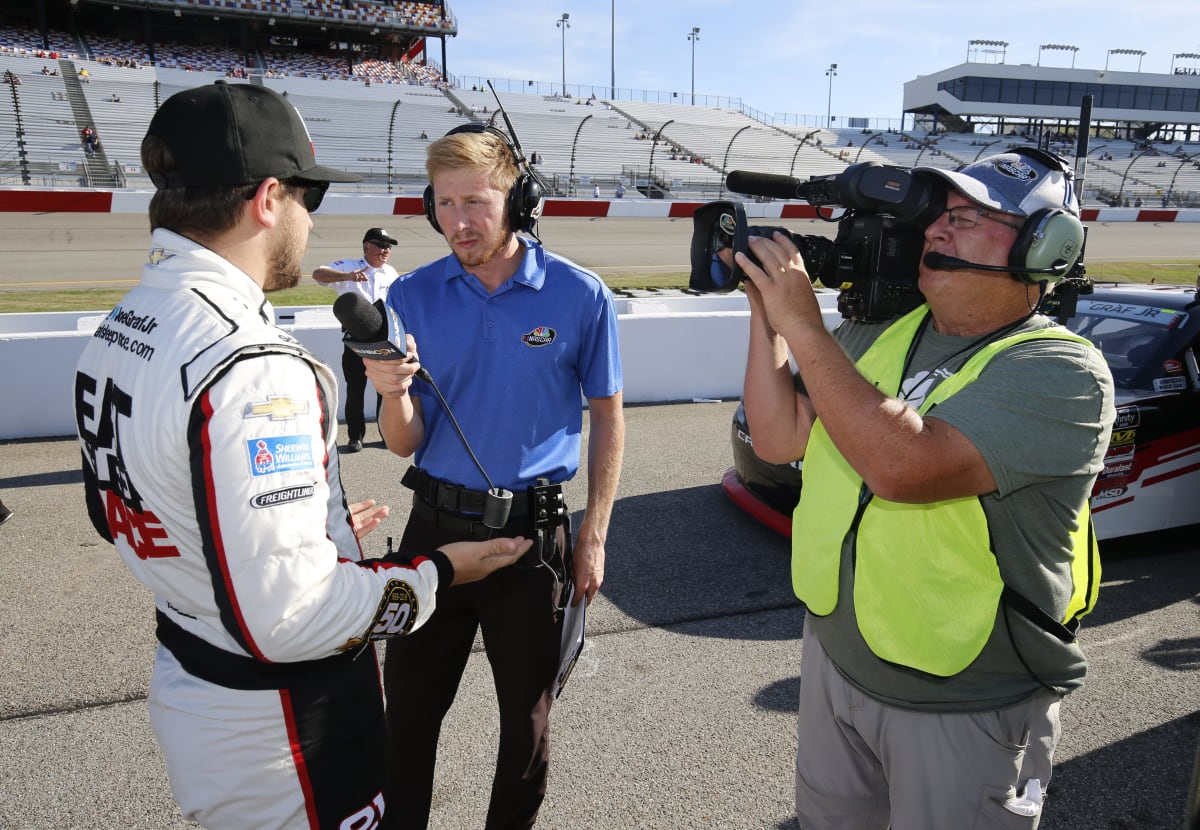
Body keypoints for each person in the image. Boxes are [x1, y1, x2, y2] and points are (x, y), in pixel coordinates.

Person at [71, 80, 529, 830]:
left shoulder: (123, 325)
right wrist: (438, 572)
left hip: (195, 680)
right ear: (268, 199)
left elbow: (120, 508)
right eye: (307, 202)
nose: (311, 223)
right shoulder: (252, 366)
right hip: (283, 728)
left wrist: (276, 526)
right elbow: (291, 617)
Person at [736, 148, 1114, 828]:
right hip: (835, 658)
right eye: (941, 215)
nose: (940, 229)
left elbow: (904, 467)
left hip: (964, 697)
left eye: (970, 217)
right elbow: (778, 438)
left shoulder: (1064, 372)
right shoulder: (880, 328)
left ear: (1044, 248)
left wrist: (801, 324)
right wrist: (767, 315)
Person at [363, 124, 625, 829]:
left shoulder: (580, 294)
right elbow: (402, 443)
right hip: (434, 534)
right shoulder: (412, 296)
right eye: (444, 204)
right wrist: (391, 393)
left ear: (518, 199)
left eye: (475, 201)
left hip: (533, 543)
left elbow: (608, 418)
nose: (459, 221)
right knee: (406, 721)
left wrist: (593, 535)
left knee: (526, 731)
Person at [312, 227, 400, 453]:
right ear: (367, 246)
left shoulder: (391, 272)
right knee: (355, 389)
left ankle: (386, 435)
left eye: (389, 246)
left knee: (384, 390)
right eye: (381, 245)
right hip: (355, 338)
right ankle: (355, 437)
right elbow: (318, 274)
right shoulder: (349, 266)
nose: (386, 250)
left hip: (383, 339)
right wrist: (347, 277)